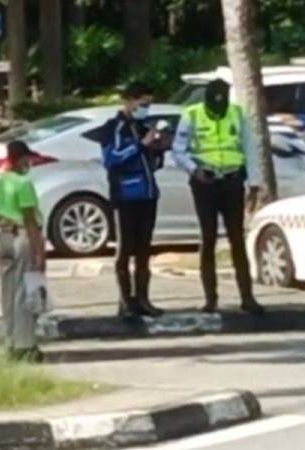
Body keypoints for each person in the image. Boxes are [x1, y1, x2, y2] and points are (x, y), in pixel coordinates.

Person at [172, 78, 265, 315]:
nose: (218, 108)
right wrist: (194, 169)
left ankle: (247, 297)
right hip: (205, 183)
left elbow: (249, 148)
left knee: (237, 239)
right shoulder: (191, 115)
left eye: (222, 103)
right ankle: (210, 299)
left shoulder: (236, 113)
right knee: (208, 238)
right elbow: (178, 150)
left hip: (233, 181)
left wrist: (254, 183)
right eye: (214, 104)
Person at [100, 82, 171, 319]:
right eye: (143, 104)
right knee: (125, 248)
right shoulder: (114, 128)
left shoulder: (144, 126)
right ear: (129, 102)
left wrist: (158, 148)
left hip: (148, 194)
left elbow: (153, 164)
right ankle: (125, 300)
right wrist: (140, 146)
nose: (146, 109)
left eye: (149, 105)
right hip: (125, 195)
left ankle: (143, 298)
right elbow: (111, 160)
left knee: (144, 249)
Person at [0, 140, 47, 361]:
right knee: (26, 290)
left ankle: (11, 341)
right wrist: (40, 252)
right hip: (23, 238)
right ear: (21, 159)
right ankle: (26, 345)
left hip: (4, 238)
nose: (30, 163)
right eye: (28, 159)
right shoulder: (23, 184)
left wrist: (4, 225)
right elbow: (31, 222)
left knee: (8, 291)